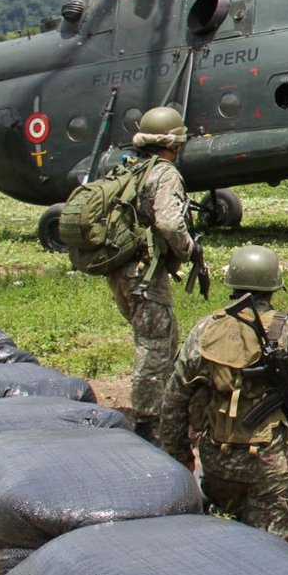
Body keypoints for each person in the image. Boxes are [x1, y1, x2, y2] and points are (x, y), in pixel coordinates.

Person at [159, 245, 288, 542]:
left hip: (218, 464)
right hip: (270, 470)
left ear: (232, 284)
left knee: (226, 546)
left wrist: (180, 455)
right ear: (273, 286)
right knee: (274, 556)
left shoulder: (205, 330)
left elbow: (174, 398)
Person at [109, 105, 199, 443]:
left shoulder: (131, 169)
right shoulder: (164, 173)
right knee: (155, 343)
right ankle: (148, 426)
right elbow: (169, 222)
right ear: (172, 144)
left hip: (122, 270)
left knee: (160, 337)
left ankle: (163, 410)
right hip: (143, 275)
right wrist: (188, 249)